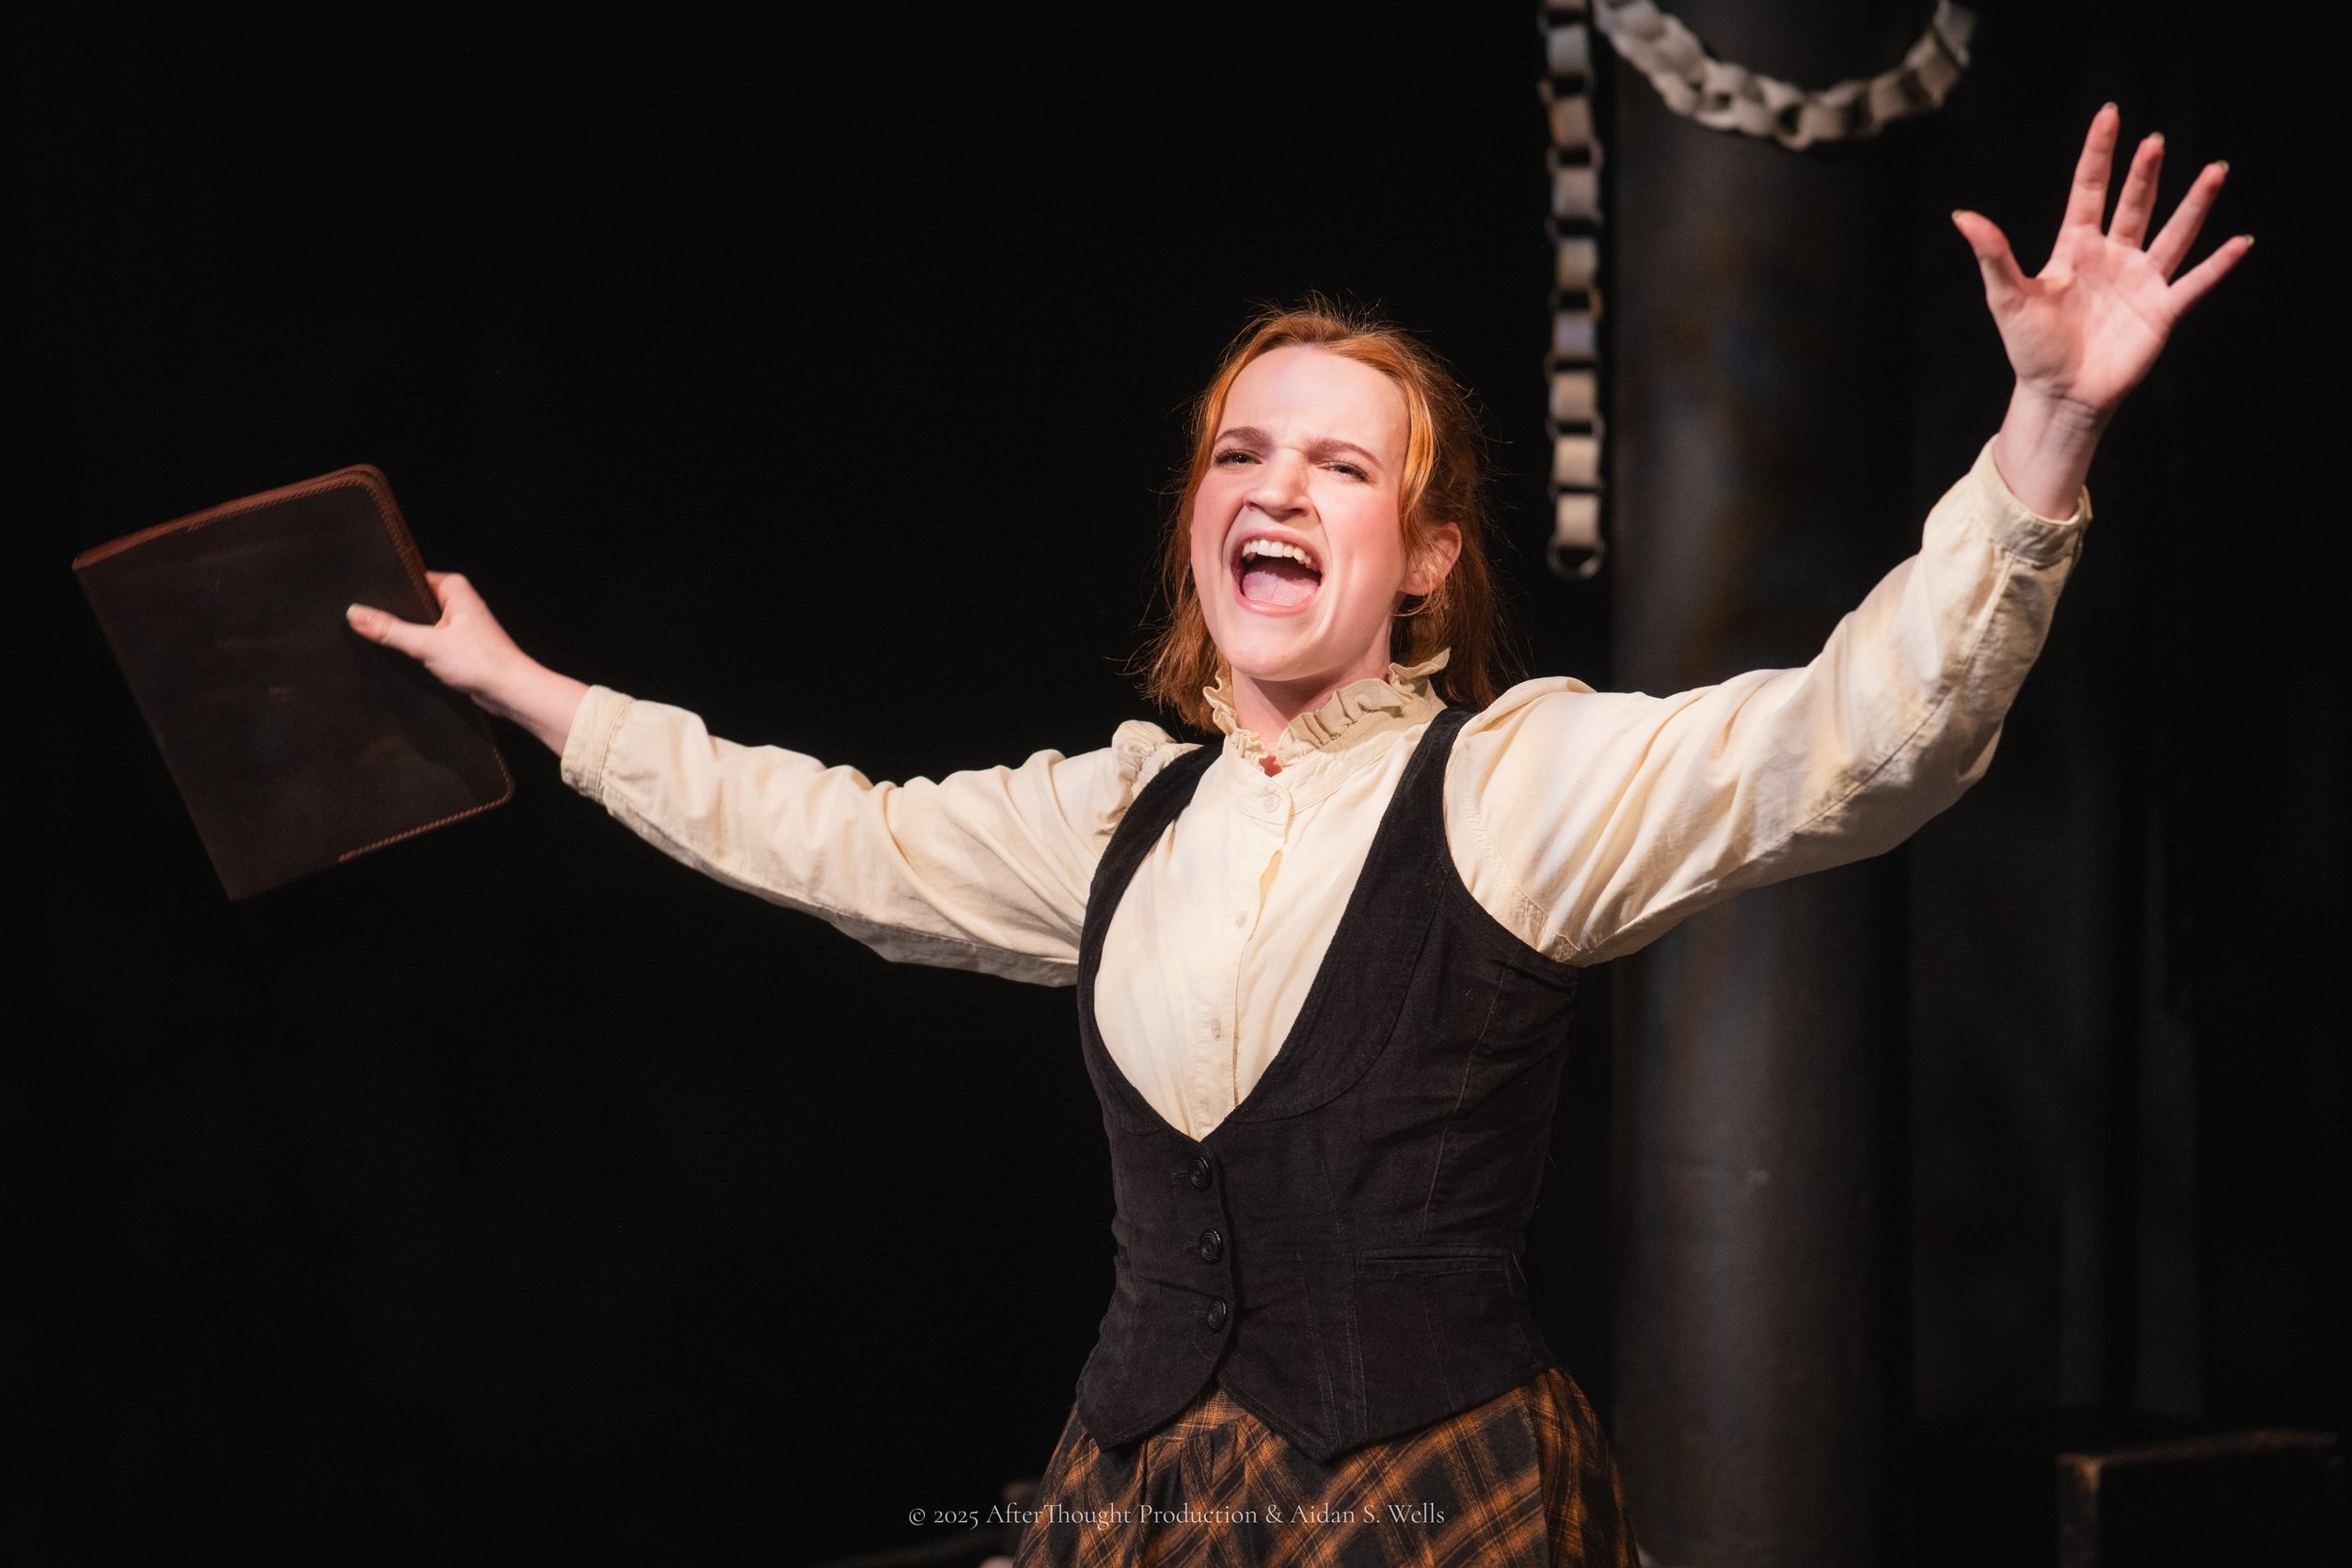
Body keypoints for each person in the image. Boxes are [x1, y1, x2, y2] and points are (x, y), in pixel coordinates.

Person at [347, 106, 2243, 1567]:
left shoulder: (1508, 787)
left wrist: (2042, 435)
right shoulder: (1120, 818)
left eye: (1342, 466)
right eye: (1240, 455)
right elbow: (825, 836)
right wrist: (531, 693)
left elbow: (1856, 736)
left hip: (1428, 1500)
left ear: (1422, 560)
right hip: (1141, 1497)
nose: (1275, 488)